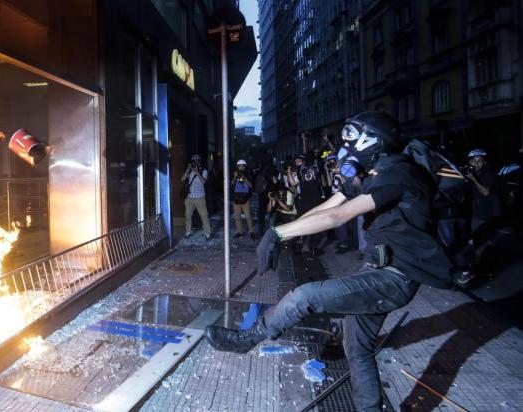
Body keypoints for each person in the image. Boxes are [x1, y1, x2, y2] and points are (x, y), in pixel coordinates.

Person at [205, 111, 453, 412]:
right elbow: (329, 206)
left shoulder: (398, 173)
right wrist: (283, 234)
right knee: (357, 350)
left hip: (395, 277)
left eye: (351, 140)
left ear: (372, 141)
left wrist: (277, 234)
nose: (345, 149)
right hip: (378, 270)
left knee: (306, 296)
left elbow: (339, 217)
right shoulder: (375, 173)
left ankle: (249, 338)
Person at [457, 149, 503, 284]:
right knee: (474, 241)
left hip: (487, 213)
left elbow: (485, 192)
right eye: (473, 161)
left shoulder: (490, 174)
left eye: (479, 161)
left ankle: (473, 272)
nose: (476, 163)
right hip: (475, 212)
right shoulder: (472, 174)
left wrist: (473, 179)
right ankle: (476, 269)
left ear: (484, 162)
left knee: (477, 243)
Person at [181, 154, 212, 240]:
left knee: (204, 215)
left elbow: (203, 182)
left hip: (200, 197)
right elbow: (182, 179)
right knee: (187, 215)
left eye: (197, 161)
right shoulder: (190, 171)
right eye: (194, 161)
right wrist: (188, 169)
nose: (195, 163)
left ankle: (207, 233)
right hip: (190, 197)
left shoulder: (204, 171)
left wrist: (198, 172)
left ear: (199, 162)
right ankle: (188, 231)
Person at [232, 159, 256, 240]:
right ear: (237, 167)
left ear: (245, 166)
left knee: (248, 216)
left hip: (245, 199)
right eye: (239, 166)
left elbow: (251, 185)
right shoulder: (235, 174)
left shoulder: (248, 174)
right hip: (236, 199)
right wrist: (235, 177)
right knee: (237, 217)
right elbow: (231, 184)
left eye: (243, 166)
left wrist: (244, 178)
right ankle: (239, 232)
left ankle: (251, 231)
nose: (241, 167)